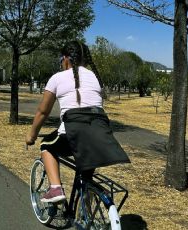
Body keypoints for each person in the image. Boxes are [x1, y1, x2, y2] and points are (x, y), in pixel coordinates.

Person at [26, 41, 130, 203]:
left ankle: (55, 189)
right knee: (85, 178)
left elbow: (43, 112)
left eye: (61, 59)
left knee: (46, 146)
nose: (60, 63)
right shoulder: (95, 77)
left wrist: (31, 136)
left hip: (73, 130)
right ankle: (86, 213)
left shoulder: (57, 78)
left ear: (66, 58)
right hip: (99, 132)